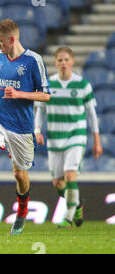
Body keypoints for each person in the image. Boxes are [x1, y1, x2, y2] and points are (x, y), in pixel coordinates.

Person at [0, 19, 50, 235]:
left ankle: (22, 212)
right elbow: (0, 80)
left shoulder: (34, 61)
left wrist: (20, 94)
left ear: (11, 39)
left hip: (21, 126)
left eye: (0, 41)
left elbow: (46, 95)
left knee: (19, 174)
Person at [34, 47, 103, 228]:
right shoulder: (48, 85)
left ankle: (69, 217)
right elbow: (40, 110)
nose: (63, 63)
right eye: (59, 60)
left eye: (66, 60)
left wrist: (97, 140)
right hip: (55, 138)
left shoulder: (83, 85)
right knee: (58, 182)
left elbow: (92, 114)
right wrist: (37, 129)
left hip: (76, 136)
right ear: (55, 63)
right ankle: (77, 205)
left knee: (70, 175)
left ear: (72, 62)